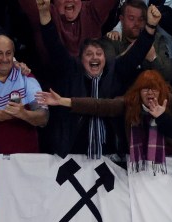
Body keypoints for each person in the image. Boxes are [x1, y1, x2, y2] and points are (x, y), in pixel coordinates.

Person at [37, 69, 172, 172]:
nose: (150, 93)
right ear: (138, 92)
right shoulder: (129, 103)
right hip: (139, 168)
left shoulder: (171, 102)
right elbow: (98, 105)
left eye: (154, 89)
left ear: (162, 91)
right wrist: (63, 101)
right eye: (145, 89)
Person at [33, 0, 160, 157]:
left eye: (99, 54)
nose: (95, 57)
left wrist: (150, 27)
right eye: (89, 54)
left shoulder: (115, 72)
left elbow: (137, 53)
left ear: (105, 58)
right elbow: (54, 45)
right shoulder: (71, 72)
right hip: (74, 156)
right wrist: (45, 14)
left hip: (111, 157)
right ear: (81, 59)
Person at [102, 0, 172, 84]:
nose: (136, 23)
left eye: (141, 19)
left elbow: (168, 74)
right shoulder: (112, 40)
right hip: (120, 94)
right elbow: (108, 73)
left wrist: (153, 58)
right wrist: (130, 52)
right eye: (131, 18)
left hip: (150, 91)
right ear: (121, 19)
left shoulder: (156, 40)